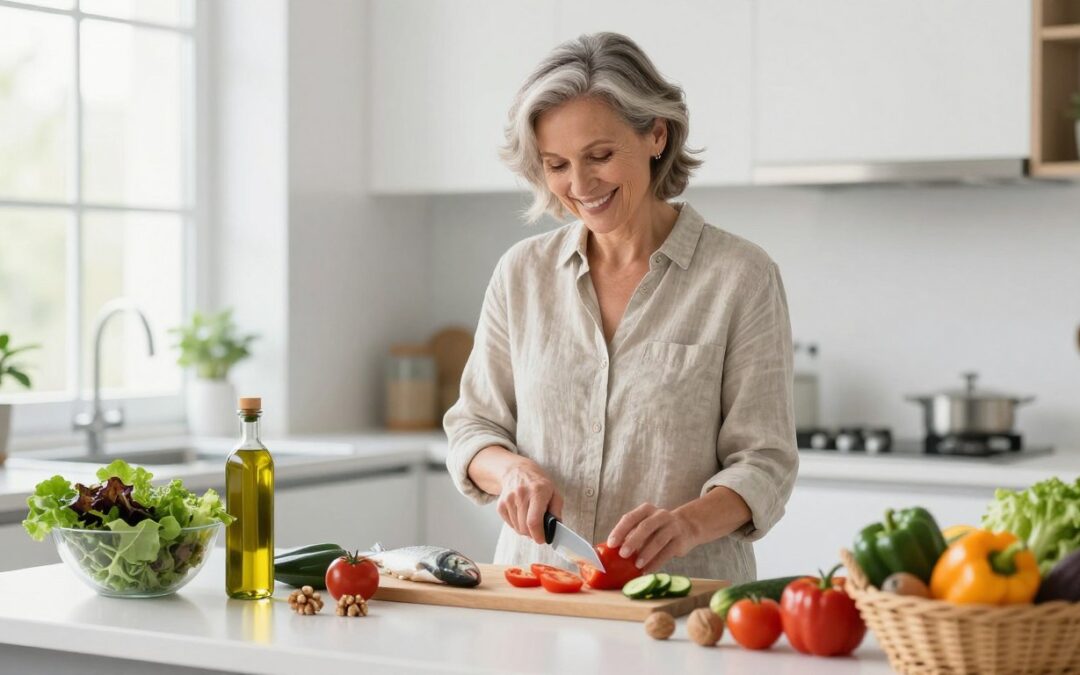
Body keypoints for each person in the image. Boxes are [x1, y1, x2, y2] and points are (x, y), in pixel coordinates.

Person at [443, 32, 798, 583]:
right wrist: (510, 471)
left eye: (600, 156)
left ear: (657, 134)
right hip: (535, 596)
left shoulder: (740, 277)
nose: (579, 185)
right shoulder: (522, 274)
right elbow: (473, 427)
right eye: (555, 164)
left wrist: (687, 525)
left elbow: (765, 463)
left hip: (682, 599)